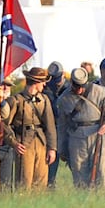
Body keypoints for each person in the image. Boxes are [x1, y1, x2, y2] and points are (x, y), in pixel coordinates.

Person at [56, 67, 105, 188]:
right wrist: (61, 148)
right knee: (79, 174)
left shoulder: (99, 91)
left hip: (97, 134)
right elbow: (62, 125)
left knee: (101, 174)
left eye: (82, 86)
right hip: (76, 137)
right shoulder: (64, 98)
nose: (80, 89)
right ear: (71, 83)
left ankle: (102, 203)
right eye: (77, 86)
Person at [4, 67, 57, 191]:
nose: (44, 84)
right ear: (35, 82)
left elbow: (50, 126)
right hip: (23, 144)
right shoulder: (16, 100)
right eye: (42, 81)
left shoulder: (44, 100)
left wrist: (52, 148)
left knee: (41, 183)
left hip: (41, 143)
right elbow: (4, 125)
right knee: (24, 183)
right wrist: (14, 143)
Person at [44, 61, 66, 189]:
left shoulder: (69, 88)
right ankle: (50, 185)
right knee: (51, 162)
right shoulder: (47, 89)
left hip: (66, 131)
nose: (57, 82)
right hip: (51, 130)